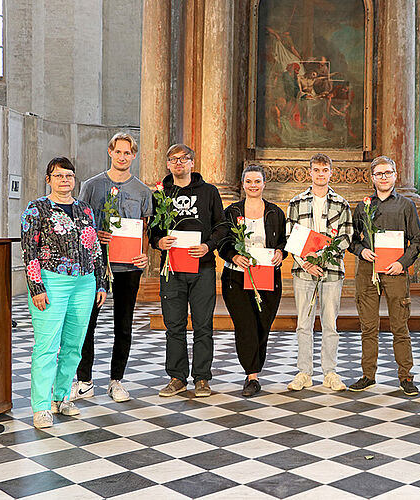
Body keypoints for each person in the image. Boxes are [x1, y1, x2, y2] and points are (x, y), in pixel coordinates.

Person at [22, 157, 107, 429]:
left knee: (73, 345)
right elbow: (29, 252)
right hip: (52, 281)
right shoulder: (37, 209)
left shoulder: (85, 210)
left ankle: (61, 398)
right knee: (46, 346)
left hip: (84, 283)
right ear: (49, 179)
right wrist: (36, 287)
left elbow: (94, 249)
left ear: (74, 179)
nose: (64, 180)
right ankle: (41, 407)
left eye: (69, 175)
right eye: (58, 176)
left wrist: (101, 282)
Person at [70, 133, 152, 403]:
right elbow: (78, 223)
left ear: (134, 156)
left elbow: (144, 229)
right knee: (87, 324)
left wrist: (144, 255)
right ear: (110, 152)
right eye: (118, 152)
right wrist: (96, 233)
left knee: (124, 326)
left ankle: (117, 380)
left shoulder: (142, 191)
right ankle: (84, 380)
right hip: (94, 266)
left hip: (128, 267)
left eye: (128, 153)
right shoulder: (92, 186)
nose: (122, 157)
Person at [150, 144, 226, 398]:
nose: (179, 163)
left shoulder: (209, 192)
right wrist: (158, 242)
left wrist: (208, 246)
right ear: (168, 164)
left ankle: (202, 378)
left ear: (193, 163)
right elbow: (153, 230)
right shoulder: (160, 194)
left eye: (184, 159)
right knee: (174, 325)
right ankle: (177, 377)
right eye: (173, 159)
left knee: (203, 325)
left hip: (202, 268)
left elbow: (222, 227)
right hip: (171, 268)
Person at [348, 156, 420, 395]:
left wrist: (402, 263)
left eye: (388, 173)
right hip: (368, 272)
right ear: (372, 178)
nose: (384, 177)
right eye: (379, 174)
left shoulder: (406, 205)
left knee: (400, 327)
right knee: (368, 327)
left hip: (396, 273)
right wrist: (362, 250)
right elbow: (352, 241)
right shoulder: (363, 206)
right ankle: (368, 375)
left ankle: (406, 377)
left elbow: (417, 241)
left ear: (395, 175)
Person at [286, 153, 353, 392]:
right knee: (304, 323)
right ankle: (304, 372)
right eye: (316, 170)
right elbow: (290, 237)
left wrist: (325, 258)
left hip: (332, 271)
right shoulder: (296, 202)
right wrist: (306, 263)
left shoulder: (341, 203)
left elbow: (346, 236)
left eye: (325, 170)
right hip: (303, 271)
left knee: (329, 323)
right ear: (310, 172)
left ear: (331, 173)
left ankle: (330, 372)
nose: (321, 174)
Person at [219, 165, 287, 397]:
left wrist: (280, 252)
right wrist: (234, 255)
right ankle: (252, 376)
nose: (253, 185)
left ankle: (255, 369)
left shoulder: (275, 212)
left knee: (262, 325)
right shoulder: (232, 212)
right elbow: (222, 243)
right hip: (236, 277)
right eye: (249, 181)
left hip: (267, 275)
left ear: (264, 183)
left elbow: (283, 243)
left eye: (257, 181)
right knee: (246, 325)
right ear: (243, 184)